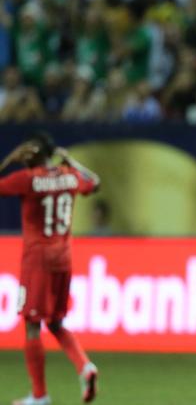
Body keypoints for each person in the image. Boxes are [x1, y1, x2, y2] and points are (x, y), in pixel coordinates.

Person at [0, 133, 101, 405]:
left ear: (32, 152)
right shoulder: (69, 175)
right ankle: (85, 366)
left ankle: (39, 396)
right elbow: (95, 183)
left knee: (32, 326)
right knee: (55, 322)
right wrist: (72, 161)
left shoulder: (28, 179)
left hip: (37, 261)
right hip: (63, 259)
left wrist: (9, 161)